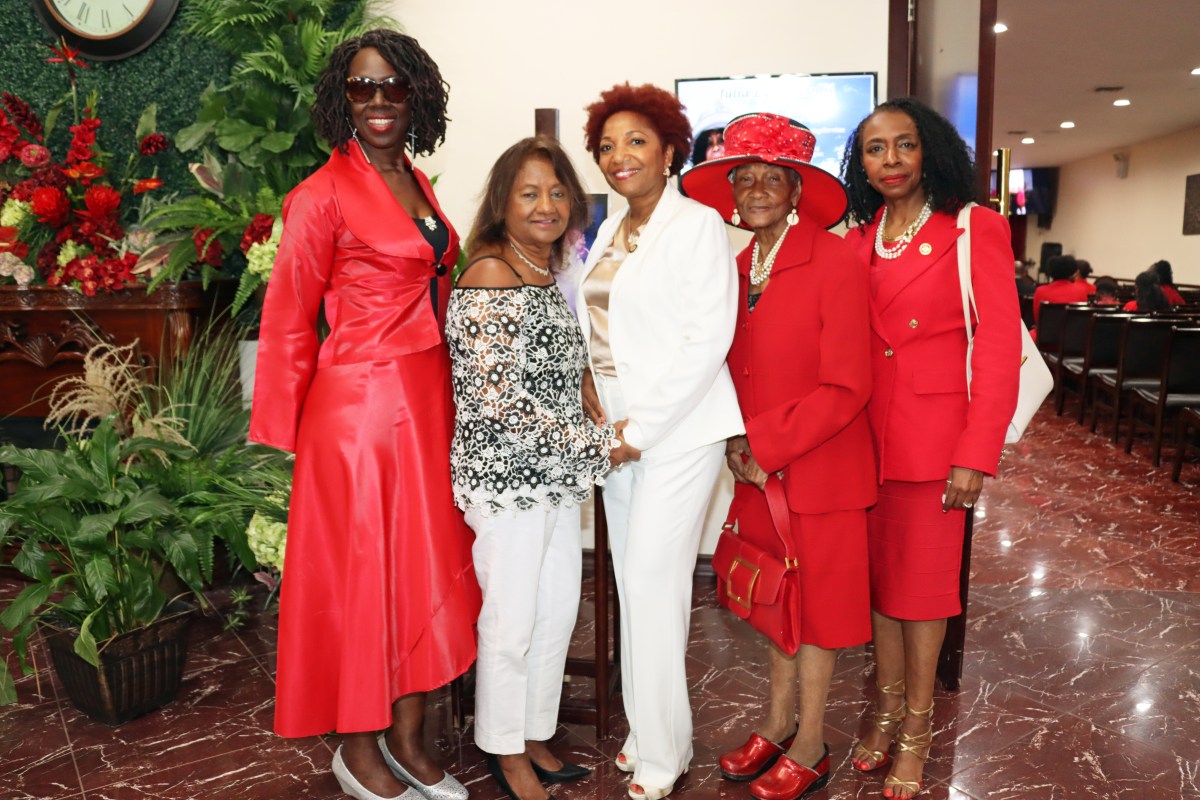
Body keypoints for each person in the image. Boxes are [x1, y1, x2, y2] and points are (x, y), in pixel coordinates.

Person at [249, 29, 481, 800]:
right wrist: (283, 439)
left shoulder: (414, 180)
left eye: (392, 85)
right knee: (363, 581)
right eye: (361, 87)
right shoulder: (318, 195)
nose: (378, 100)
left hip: (422, 404)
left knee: (417, 574)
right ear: (341, 100)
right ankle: (358, 746)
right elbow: (287, 318)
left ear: (417, 94)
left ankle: (411, 743)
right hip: (355, 417)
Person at [680, 113, 876, 800]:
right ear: (732, 190)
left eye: (773, 178)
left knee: (817, 611)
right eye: (745, 177)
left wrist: (766, 444)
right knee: (776, 603)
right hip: (757, 471)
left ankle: (815, 741)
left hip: (819, 466)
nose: (757, 188)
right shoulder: (735, 268)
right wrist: (738, 440)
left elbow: (850, 383)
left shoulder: (835, 259)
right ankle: (777, 722)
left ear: (796, 191)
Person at [445, 136, 639, 800]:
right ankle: (503, 749)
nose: (547, 204)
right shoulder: (492, 272)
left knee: (556, 612)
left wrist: (586, 384)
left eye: (557, 191)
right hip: (506, 481)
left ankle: (533, 733)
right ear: (502, 201)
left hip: (552, 476)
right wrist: (597, 448)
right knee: (512, 619)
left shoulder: (540, 270)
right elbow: (497, 399)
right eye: (529, 192)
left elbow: (550, 366)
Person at [840, 97, 1021, 800]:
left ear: (930, 151)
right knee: (881, 590)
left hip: (936, 446)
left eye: (903, 145)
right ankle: (884, 709)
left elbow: (1000, 346)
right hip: (865, 444)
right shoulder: (858, 239)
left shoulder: (973, 229)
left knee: (923, 594)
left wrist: (976, 453)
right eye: (875, 149)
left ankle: (918, 727)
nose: (890, 161)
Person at [579, 82, 744, 800]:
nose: (620, 156)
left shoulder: (697, 225)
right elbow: (600, 332)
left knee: (651, 581)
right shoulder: (608, 230)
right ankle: (647, 731)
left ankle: (664, 752)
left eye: (636, 141)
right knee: (634, 583)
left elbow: (706, 341)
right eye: (608, 145)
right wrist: (598, 416)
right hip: (614, 432)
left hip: (677, 433)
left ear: (671, 150)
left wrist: (638, 432)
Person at [1032, 254, 1089, 324]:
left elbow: (1037, 319)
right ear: (1071, 270)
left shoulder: (1040, 291)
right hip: (1073, 333)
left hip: (1045, 333)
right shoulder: (1081, 291)